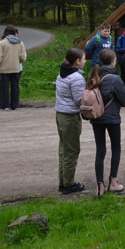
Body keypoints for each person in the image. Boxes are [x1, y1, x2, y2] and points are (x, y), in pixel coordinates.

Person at [87, 49, 125, 196]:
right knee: (116, 148)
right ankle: (113, 182)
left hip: (96, 117)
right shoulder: (115, 79)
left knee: (100, 151)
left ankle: (100, 185)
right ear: (113, 61)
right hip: (112, 118)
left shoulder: (93, 75)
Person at [54, 48, 86, 195]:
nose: (85, 61)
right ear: (77, 61)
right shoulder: (77, 78)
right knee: (72, 151)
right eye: (84, 59)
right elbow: (79, 99)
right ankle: (68, 184)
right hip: (70, 117)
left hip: (60, 114)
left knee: (64, 150)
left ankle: (63, 181)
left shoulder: (62, 72)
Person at [0, 25, 27, 110]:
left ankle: (4, 105)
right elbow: (23, 57)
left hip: (4, 68)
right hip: (16, 68)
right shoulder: (20, 43)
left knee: (4, 87)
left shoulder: (2, 43)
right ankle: (14, 105)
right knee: (15, 86)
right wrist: (18, 61)